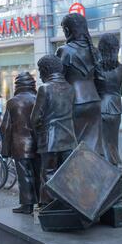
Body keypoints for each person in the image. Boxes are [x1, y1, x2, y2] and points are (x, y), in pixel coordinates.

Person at [31, 55, 78, 206]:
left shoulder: (44, 89)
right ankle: (68, 203)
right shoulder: (70, 88)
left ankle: (47, 205)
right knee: (67, 174)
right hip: (69, 138)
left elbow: (35, 118)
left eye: (40, 70)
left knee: (48, 173)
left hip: (50, 139)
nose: (39, 75)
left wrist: (38, 132)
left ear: (46, 70)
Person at [56, 13, 104, 156]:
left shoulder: (64, 50)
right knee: (94, 144)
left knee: (74, 146)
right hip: (94, 101)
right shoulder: (94, 51)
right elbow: (100, 78)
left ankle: (80, 176)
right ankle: (95, 174)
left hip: (74, 102)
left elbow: (58, 80)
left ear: (68, 30)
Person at [1, 72, 40, 214]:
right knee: (38, 174)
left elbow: (5, 127)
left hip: (20, 145)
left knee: (24, 176)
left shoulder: (12, 102)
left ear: (17, 85)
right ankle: (41, 202)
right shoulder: (38, 98)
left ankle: (27, 205)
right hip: (38, 143)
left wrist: (5, 149)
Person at [95, 33, 122, 166]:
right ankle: (114, 165)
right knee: (113, 142)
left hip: (99, 106)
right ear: (116, 49)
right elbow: (120, 91)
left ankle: (104, 169)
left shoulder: (96, 68)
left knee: (101, 143)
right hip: (115, 107)